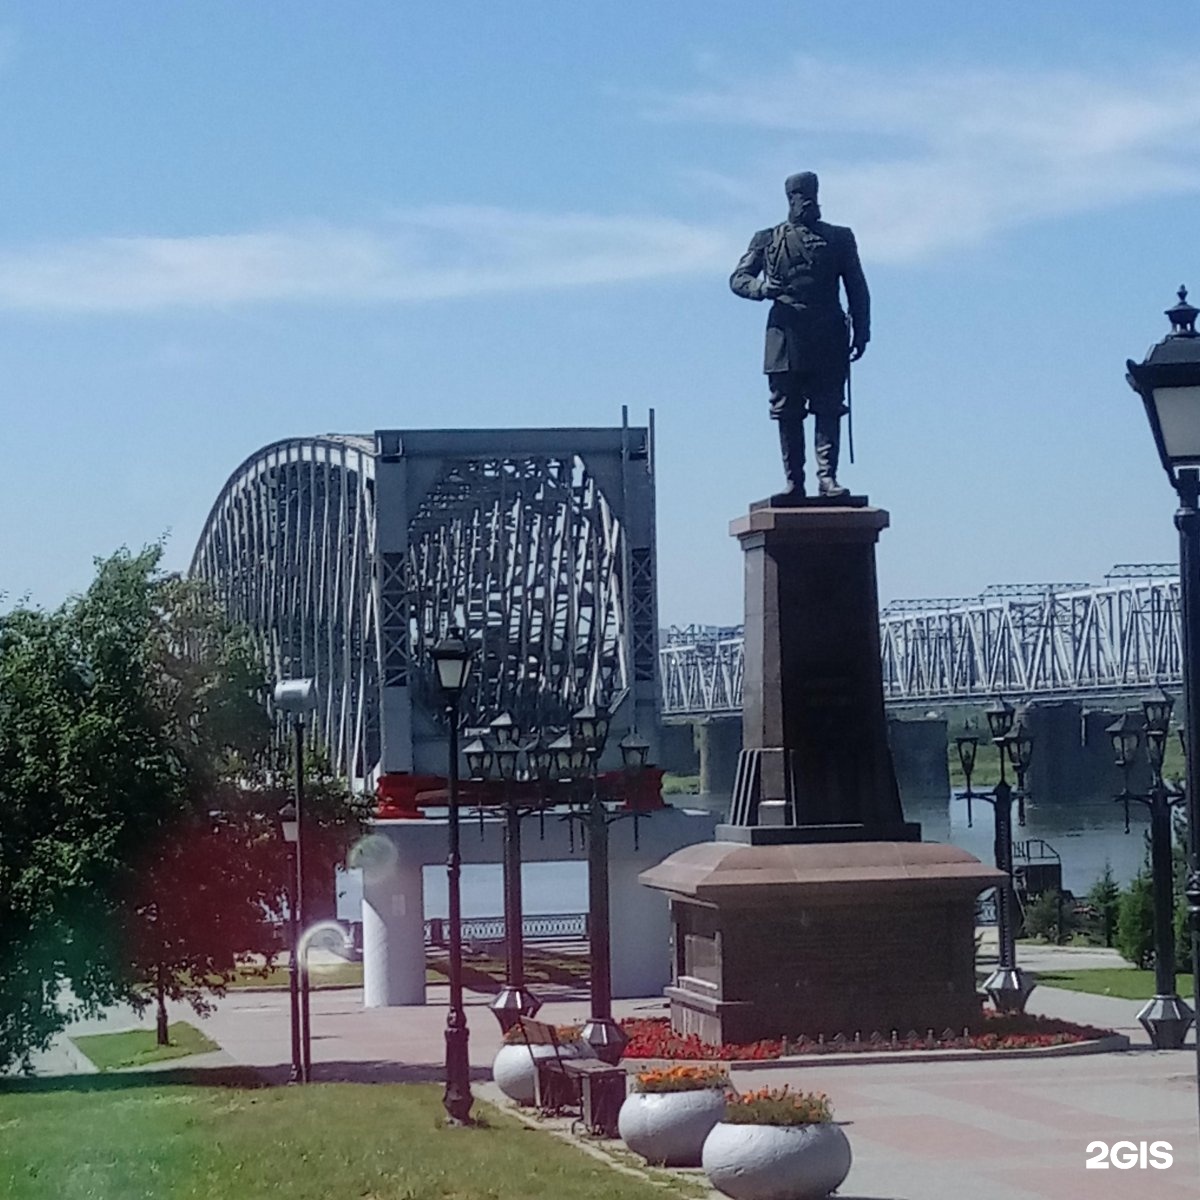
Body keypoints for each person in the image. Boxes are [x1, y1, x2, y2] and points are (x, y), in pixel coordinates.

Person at [730, 171, 869, 499]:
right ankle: (795, 482)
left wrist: (862, 329)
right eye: (798, 195)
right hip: (785, 337)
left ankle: (827, 478)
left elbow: (857, 287)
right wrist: (762, 288)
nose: (806, 201)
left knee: (829, 406)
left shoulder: (840, 238)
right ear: (789, 199)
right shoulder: (767, 238)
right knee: (787, 410)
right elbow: (738, 278)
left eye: (810, 195)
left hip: (828, 336)